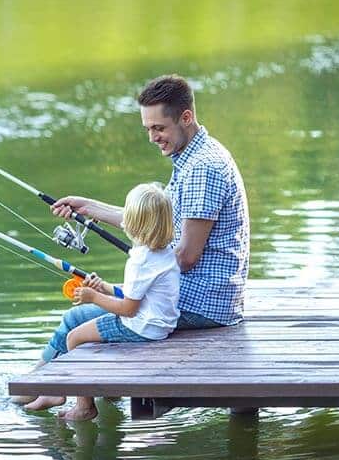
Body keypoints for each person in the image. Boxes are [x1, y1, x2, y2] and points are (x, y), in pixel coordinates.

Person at [52, 75, 250, 330]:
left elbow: (187, 256)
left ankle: (38, 371)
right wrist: (88, 207)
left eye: (159, 128)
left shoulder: (203, 167)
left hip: (202, 301)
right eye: (148, 129)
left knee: (74, 320)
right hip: (185, 291)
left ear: (186, 118)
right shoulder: (192, 157)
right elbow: (149, 223)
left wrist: (135, 282)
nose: (152, 137)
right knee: (105, 297)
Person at [23, 183, 180, 420]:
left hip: (142, 327)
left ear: (136, 225)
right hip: (159, 324)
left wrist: (94, 297)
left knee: (74, 337)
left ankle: (82, 405)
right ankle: (62, 390)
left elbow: (128, 309)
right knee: (87, 332)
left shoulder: (140, 260)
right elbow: (140, 294)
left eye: (128, 216)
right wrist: (106, 287)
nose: (123, 221)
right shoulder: (164, 252)